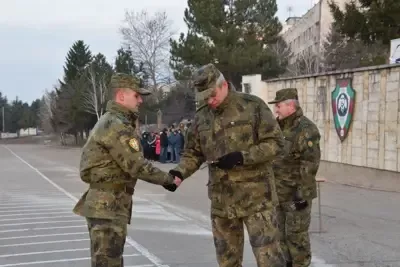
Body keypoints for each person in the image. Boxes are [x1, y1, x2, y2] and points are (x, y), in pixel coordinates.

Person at [164, 63, 286, 267]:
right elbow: (193, 152)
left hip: (257, 199)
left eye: (212, 95)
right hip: (223, 202)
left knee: (270, 259)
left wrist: (243, 156)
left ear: (223, 85)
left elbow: (276, 143)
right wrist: (179, 172)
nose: (210, 101)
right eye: (205, 98)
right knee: (227, 261)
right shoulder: (202, 116)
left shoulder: (252, 106)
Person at [72, 72, 181, 267]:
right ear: (121, 96)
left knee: (109, 261)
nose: (140, 100)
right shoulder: (116, 125)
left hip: (109, 204)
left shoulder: (114, 121)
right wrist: (169, 180)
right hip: (107, 206)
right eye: (136, 95)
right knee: (108, 262)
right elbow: (136, 165)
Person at [267, 88, 321, 267]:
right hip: (278, 194)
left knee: (296, 239)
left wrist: (301, 193)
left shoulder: (306, 129)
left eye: (279, 106)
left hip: (296, 196)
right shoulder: (277, 128)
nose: (276, 110)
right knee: (279, 236)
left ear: (290, 105)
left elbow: (310, 163)